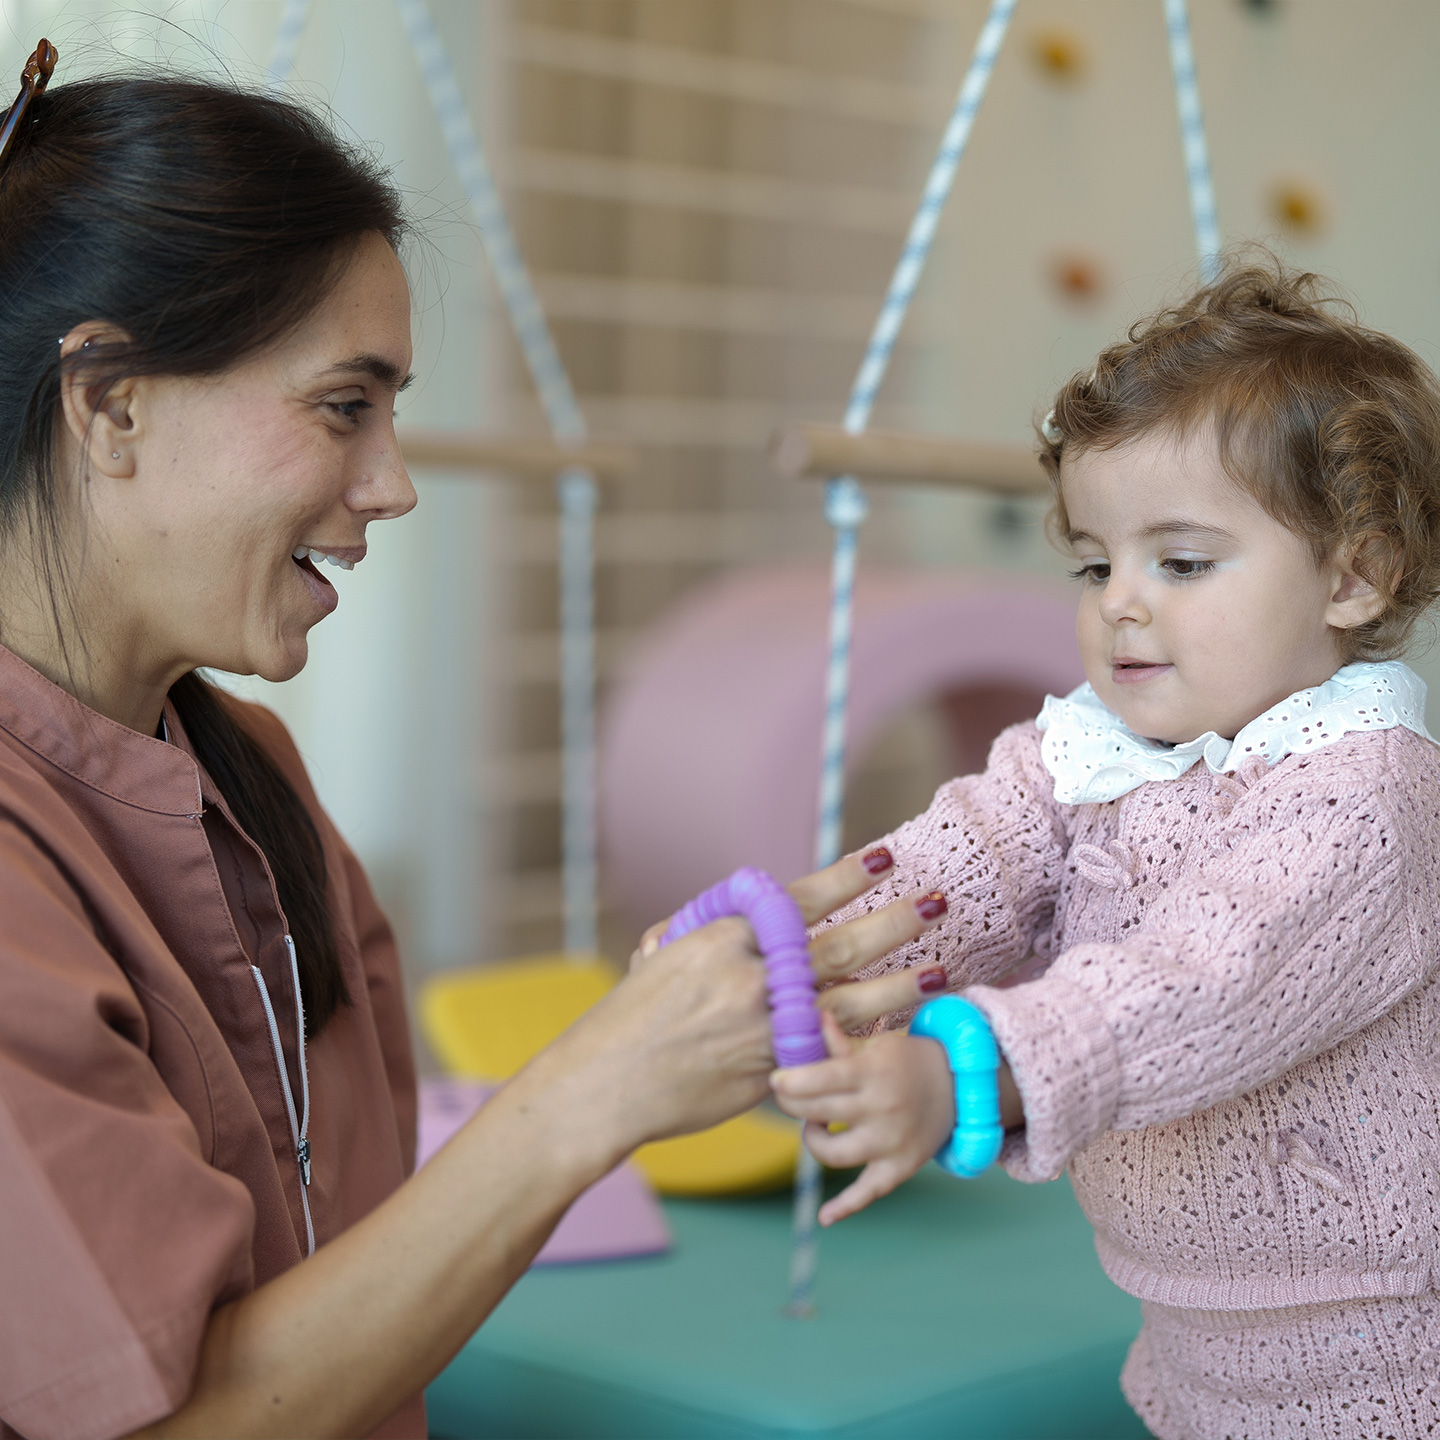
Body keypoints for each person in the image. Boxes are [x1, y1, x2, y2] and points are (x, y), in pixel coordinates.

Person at [0, 53, 954, 1440]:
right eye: (345, 406)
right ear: (110, 404)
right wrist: (594, 1089)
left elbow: (360, 1267)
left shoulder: (253, 781)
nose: (391, 484)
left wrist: (667, 1037)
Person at [770, 258, 1440, 1439]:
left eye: (1180, 563)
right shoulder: (1091, 751)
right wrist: (790, 962)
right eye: (1095, 562)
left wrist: (972, 1065)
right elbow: (958, 864)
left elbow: (1199, 983)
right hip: (1183, 1334)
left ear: (1354, 574)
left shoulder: (1364, 800)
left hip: (1376, 1347)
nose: (1121, 600)